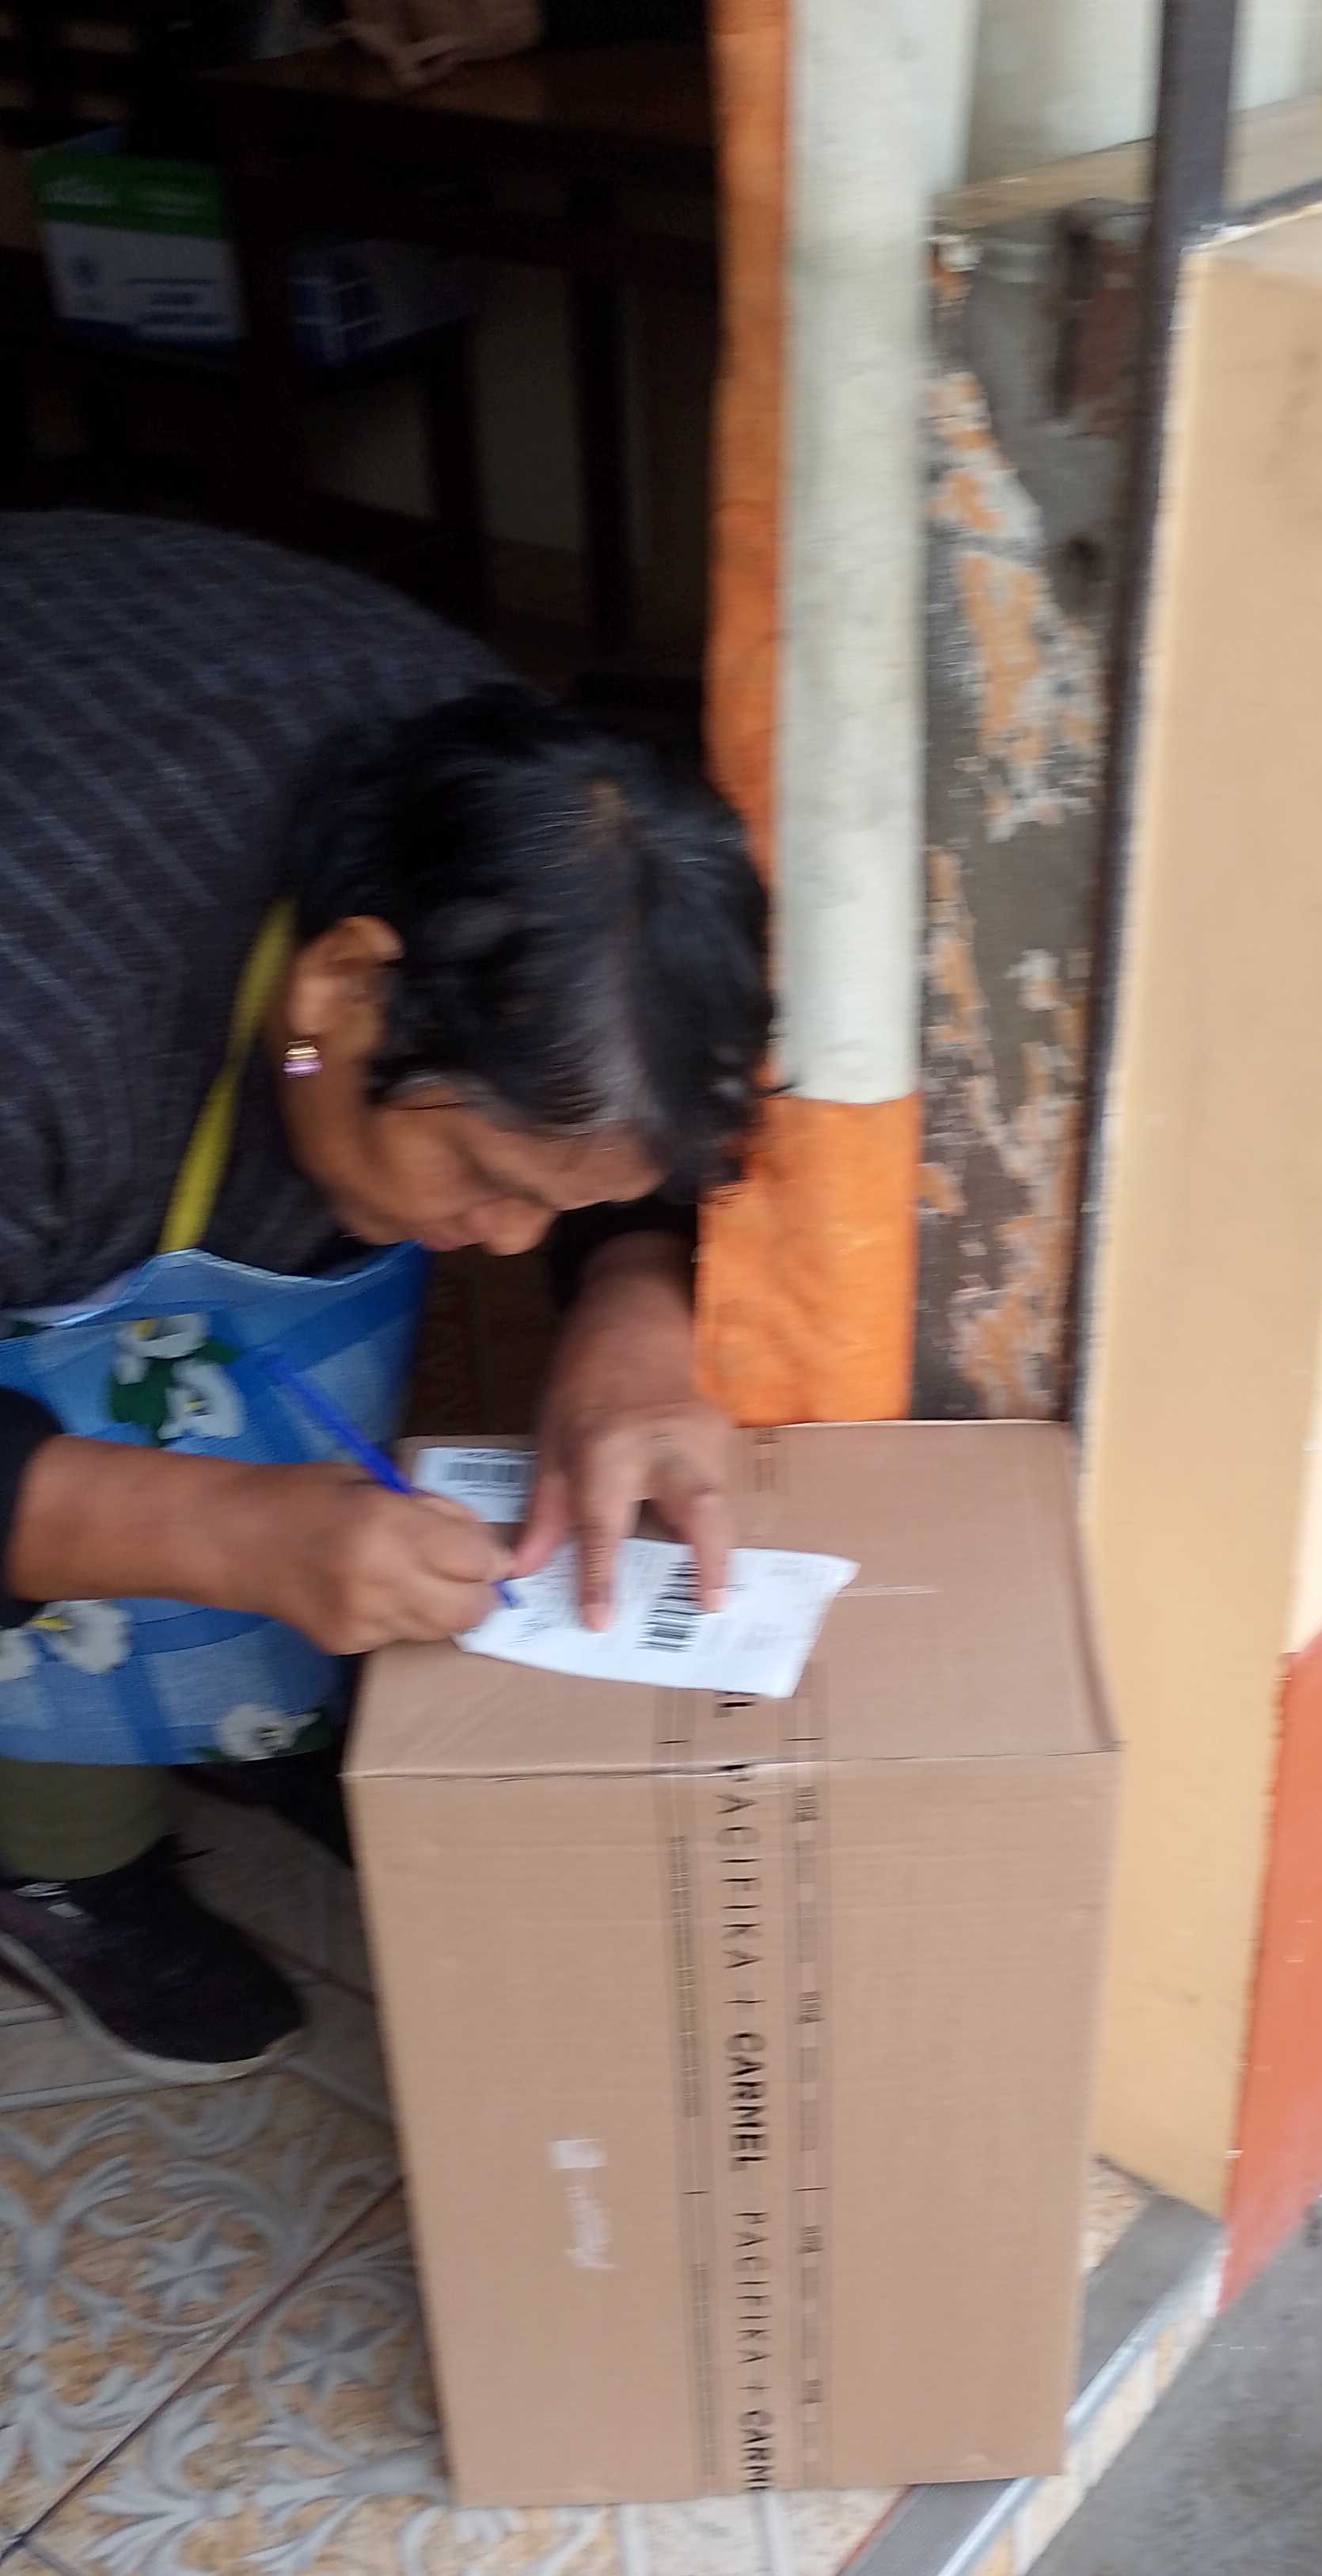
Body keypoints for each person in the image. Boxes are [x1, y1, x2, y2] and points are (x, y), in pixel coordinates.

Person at [0, 512, 769, 2082]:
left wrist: (629, 1305)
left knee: (274, 1347)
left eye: (556, 1208)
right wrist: (233, 1537)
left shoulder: (532, 838)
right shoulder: (39, 1023)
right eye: (486, 1176)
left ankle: (242, 1720)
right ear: (343, 986)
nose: (504, 1242)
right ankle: (58, 1857)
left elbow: (618, 1127)